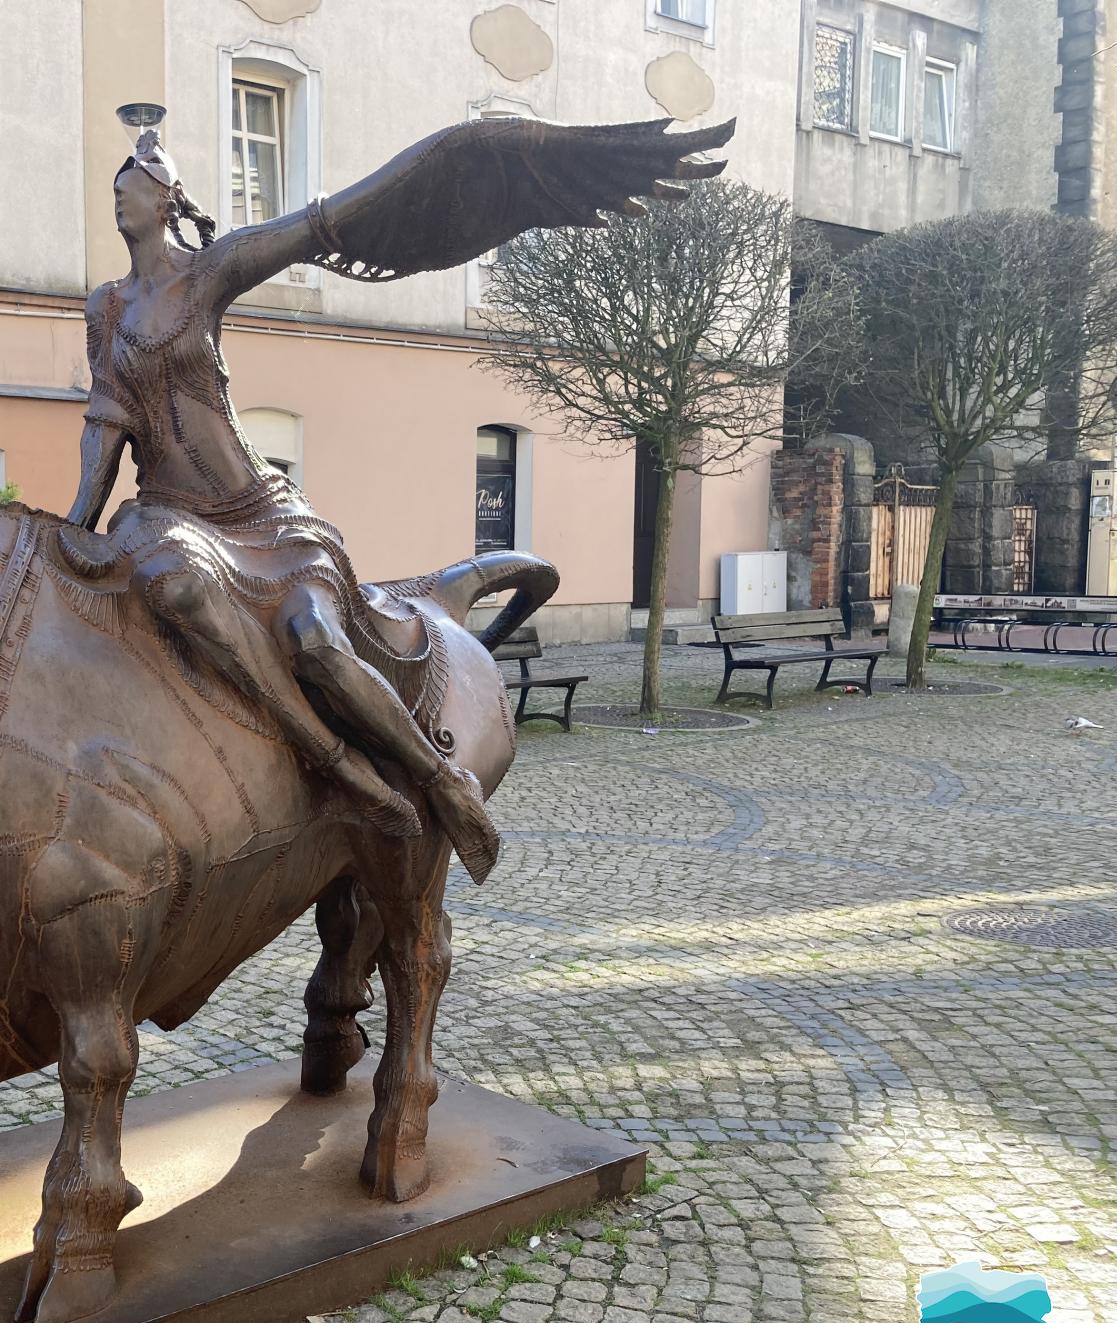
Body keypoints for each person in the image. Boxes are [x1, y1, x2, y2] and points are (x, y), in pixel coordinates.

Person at [64, 116, 731, 883]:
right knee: (169, 588)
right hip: (168, 515)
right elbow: (104, 421)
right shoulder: (105, 308)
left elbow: (320, 225)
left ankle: (443, 781)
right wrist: (73, 524)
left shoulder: (210, 272)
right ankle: (334, 764)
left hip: (258, 513)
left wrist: (471, 159)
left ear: (165, 199)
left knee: (315, 638)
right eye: (115, 191)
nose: (121, 202)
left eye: (134, 189)